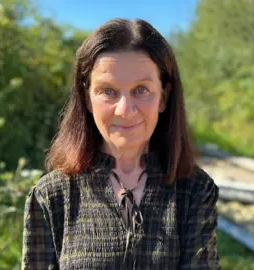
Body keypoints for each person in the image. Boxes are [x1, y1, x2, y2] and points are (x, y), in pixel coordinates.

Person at [21, 18, 220, 269]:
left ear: (164, 96)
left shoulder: (195, 191)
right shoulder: (51, 196)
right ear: (87, 98)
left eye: (141, 90)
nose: (125, 110)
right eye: (108, 91)